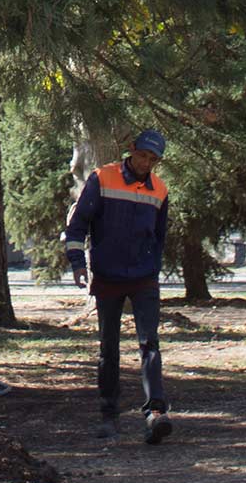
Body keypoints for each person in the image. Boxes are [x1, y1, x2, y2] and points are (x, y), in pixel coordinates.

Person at [64, 127, 173, 444]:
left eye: (153, 159)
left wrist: (153, 266)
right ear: (131, 149)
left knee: (149, 344)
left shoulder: (160, 191)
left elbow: (160, 236)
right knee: (108, 349)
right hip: (108, 276)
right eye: (142, 155)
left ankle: (155, 414)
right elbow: (78, 225)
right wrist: (78, 265)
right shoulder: (103, 178)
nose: (146, 163)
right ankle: (109, 416)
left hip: (144, 278)